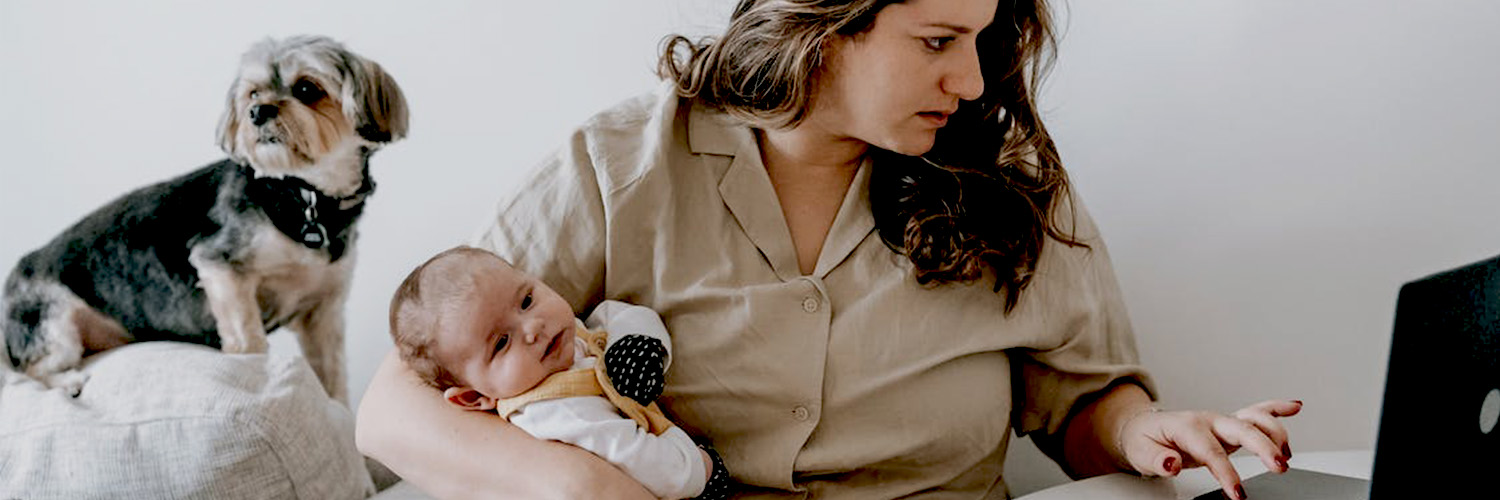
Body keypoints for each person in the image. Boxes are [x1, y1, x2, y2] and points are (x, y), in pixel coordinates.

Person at [357, 0, 1302, 499]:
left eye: (980, 38)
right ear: (825, 25)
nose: (972, 80)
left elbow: (1086, 401)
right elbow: (396, 406)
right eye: (938, 39)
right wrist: (575, 484)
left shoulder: (1010, 183)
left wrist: (1144, 434)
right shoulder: (621, 164)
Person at [386, 246, 733, 499]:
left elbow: (617, 315)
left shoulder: (561, 340)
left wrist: (638, 346)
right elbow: (638, 459)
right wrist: (698, 466)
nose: (532, 327)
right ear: (475, 397)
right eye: (502, 343)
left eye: (526, 301)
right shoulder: (553, 411)